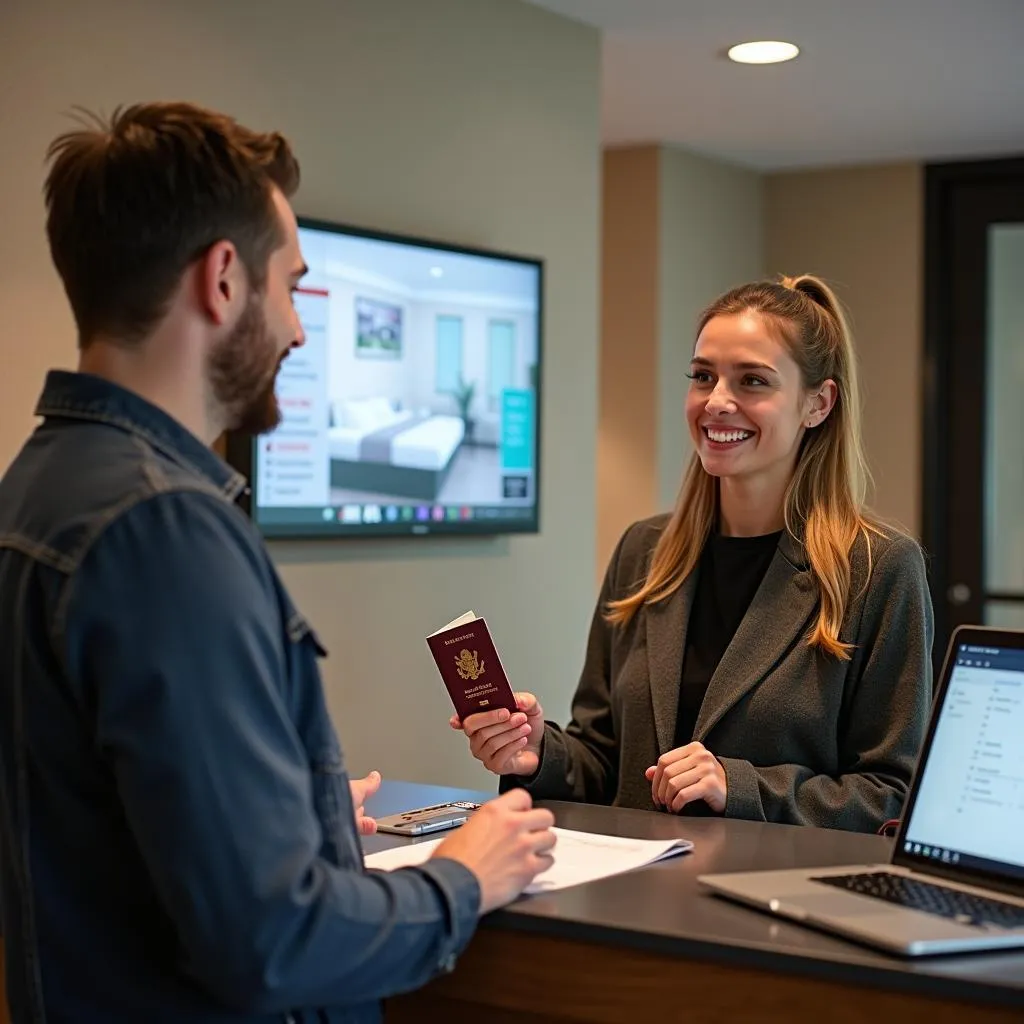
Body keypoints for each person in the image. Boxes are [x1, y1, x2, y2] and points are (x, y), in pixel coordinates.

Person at [0, 101, 557, 1024]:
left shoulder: (34, 492)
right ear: (224, 279)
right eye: (292, 286)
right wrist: (462, 879)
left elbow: (100, 820)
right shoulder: (164, 533)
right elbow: (271, 941)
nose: (299, 331)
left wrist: (284, 806)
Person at [454, 275, 934, 834]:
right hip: (633, 893)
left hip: (769, 903)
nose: (717, 402)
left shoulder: (880, 569)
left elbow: (892, 798)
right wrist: (538, 753)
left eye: (753, 381)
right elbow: (604, 759)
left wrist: (740, 786)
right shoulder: (644, 551)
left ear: (817, 403)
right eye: (703, 376)